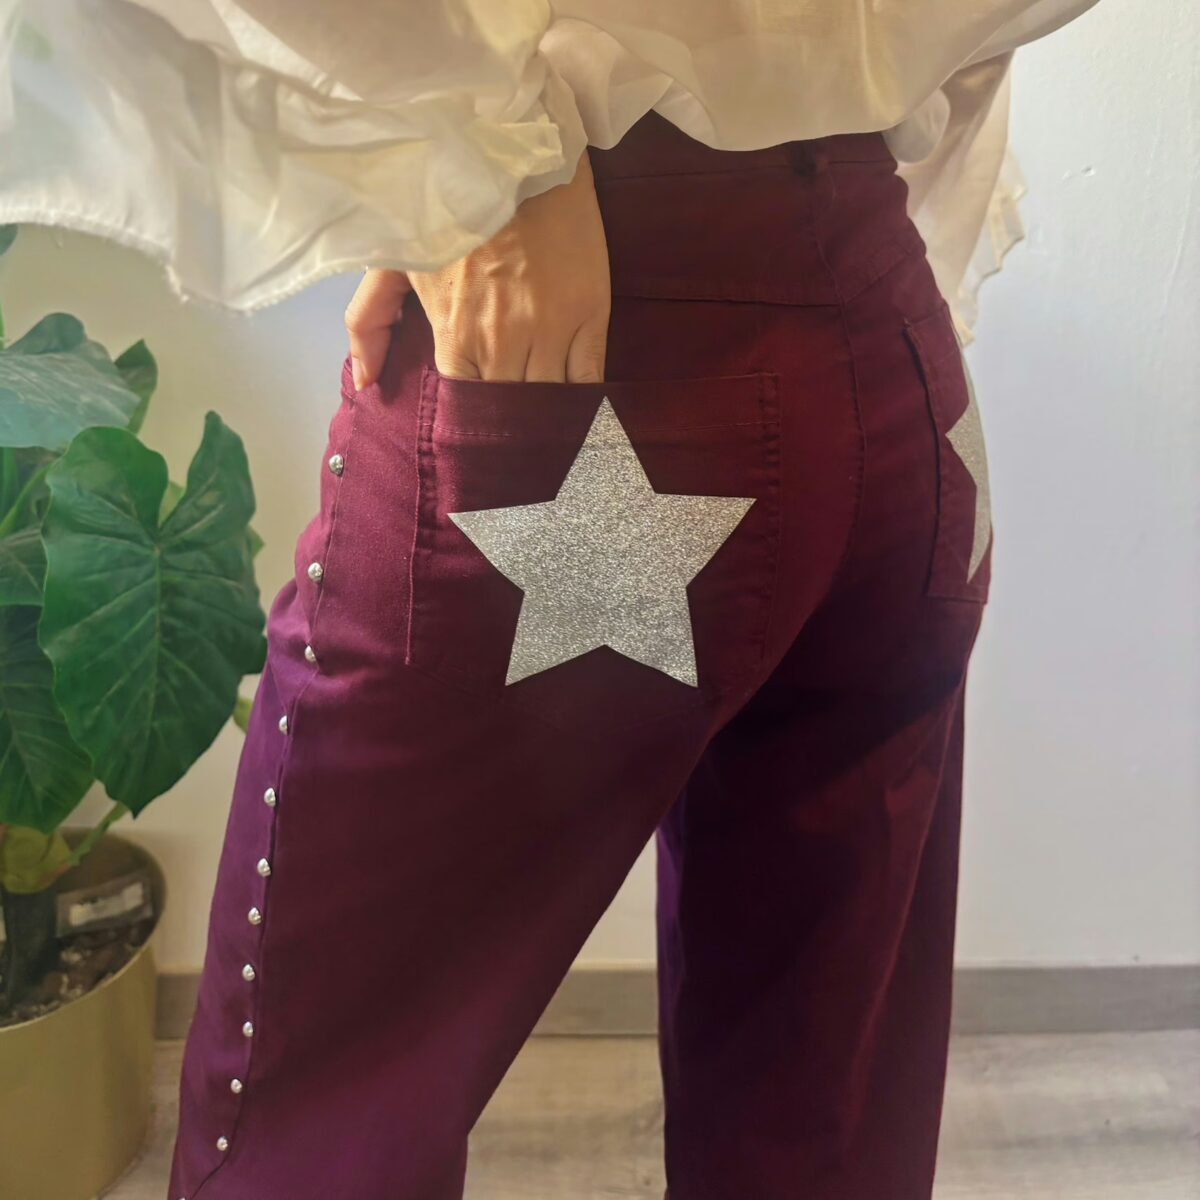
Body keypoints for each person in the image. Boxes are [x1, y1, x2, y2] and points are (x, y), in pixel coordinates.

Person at [0, 4, 1099, 1198]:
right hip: (892, 365)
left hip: (575, 342)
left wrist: (471, 160)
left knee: (312, 1126)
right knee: (826, 1121)